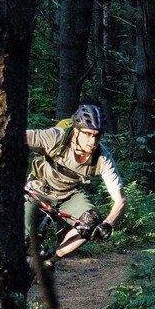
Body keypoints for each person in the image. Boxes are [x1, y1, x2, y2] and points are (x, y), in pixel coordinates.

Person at [24, 104, 126, 263]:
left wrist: (107, 223)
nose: (93, 141)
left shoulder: (102, 157)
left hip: (68, 194)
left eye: (98, 135)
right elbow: (15, 136)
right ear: (76, 130)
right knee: (22, 238)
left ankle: (51, 261)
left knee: (91, 221)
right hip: (38, 188)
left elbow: (120, 200)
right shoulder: (55, 137)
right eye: (87, 134)